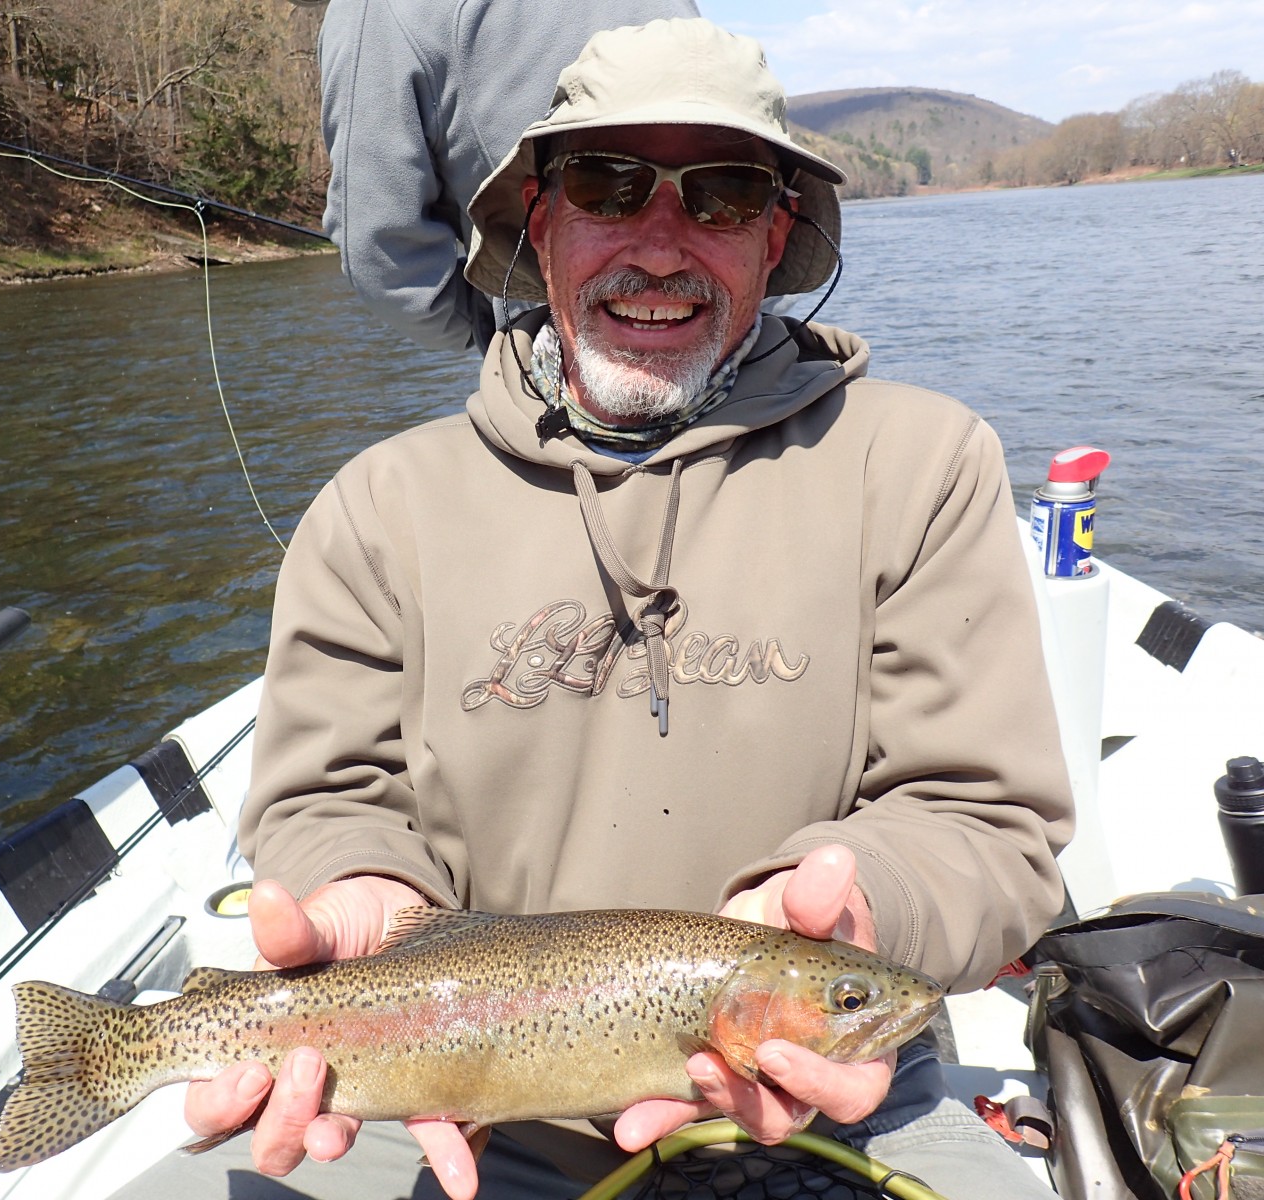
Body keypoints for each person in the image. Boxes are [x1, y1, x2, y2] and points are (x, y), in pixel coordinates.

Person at [184, 18, 1073, 1200]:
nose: (660, 245)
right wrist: (364, 895)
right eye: (610, 185)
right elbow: (327, 798)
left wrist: (857, 917)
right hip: (449, 1091)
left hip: (831, 1090)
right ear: (538, 225)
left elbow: (987, 822)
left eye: (718, 196)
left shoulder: (919, 464)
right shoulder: (376, 508)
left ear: (776, 233)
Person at [295, 0, 699, 354]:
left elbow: (379, 256)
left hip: (567, 346)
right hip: (728, 310)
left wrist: (500, 320)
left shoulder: (372, 10)